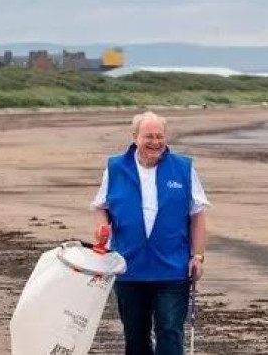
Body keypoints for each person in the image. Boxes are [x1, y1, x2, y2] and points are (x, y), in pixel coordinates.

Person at [90, 111, 210, 355]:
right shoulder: (115, 168)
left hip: (172, 270)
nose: (156, 142)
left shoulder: (183, 168)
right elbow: (101, 207)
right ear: (135, 138)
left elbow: (197, 215)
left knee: (169, 332)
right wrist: (102, 228)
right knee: (135, 338)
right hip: (128, 268)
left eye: (160, 136)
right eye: (149, 136)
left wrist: (197, 257)